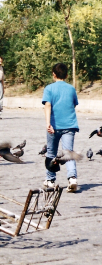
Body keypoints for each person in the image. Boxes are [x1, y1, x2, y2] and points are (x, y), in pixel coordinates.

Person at [42, 63, 79, 193]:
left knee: (51, 152)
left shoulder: (49, 88)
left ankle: (50, 180)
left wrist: (48, 123)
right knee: (68, 152)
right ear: (67, 75)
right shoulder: (71, 89)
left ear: (54, 74)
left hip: (54, 126)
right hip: (70, 125)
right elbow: (73, 105)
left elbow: (47, 105)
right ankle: (72, 178)